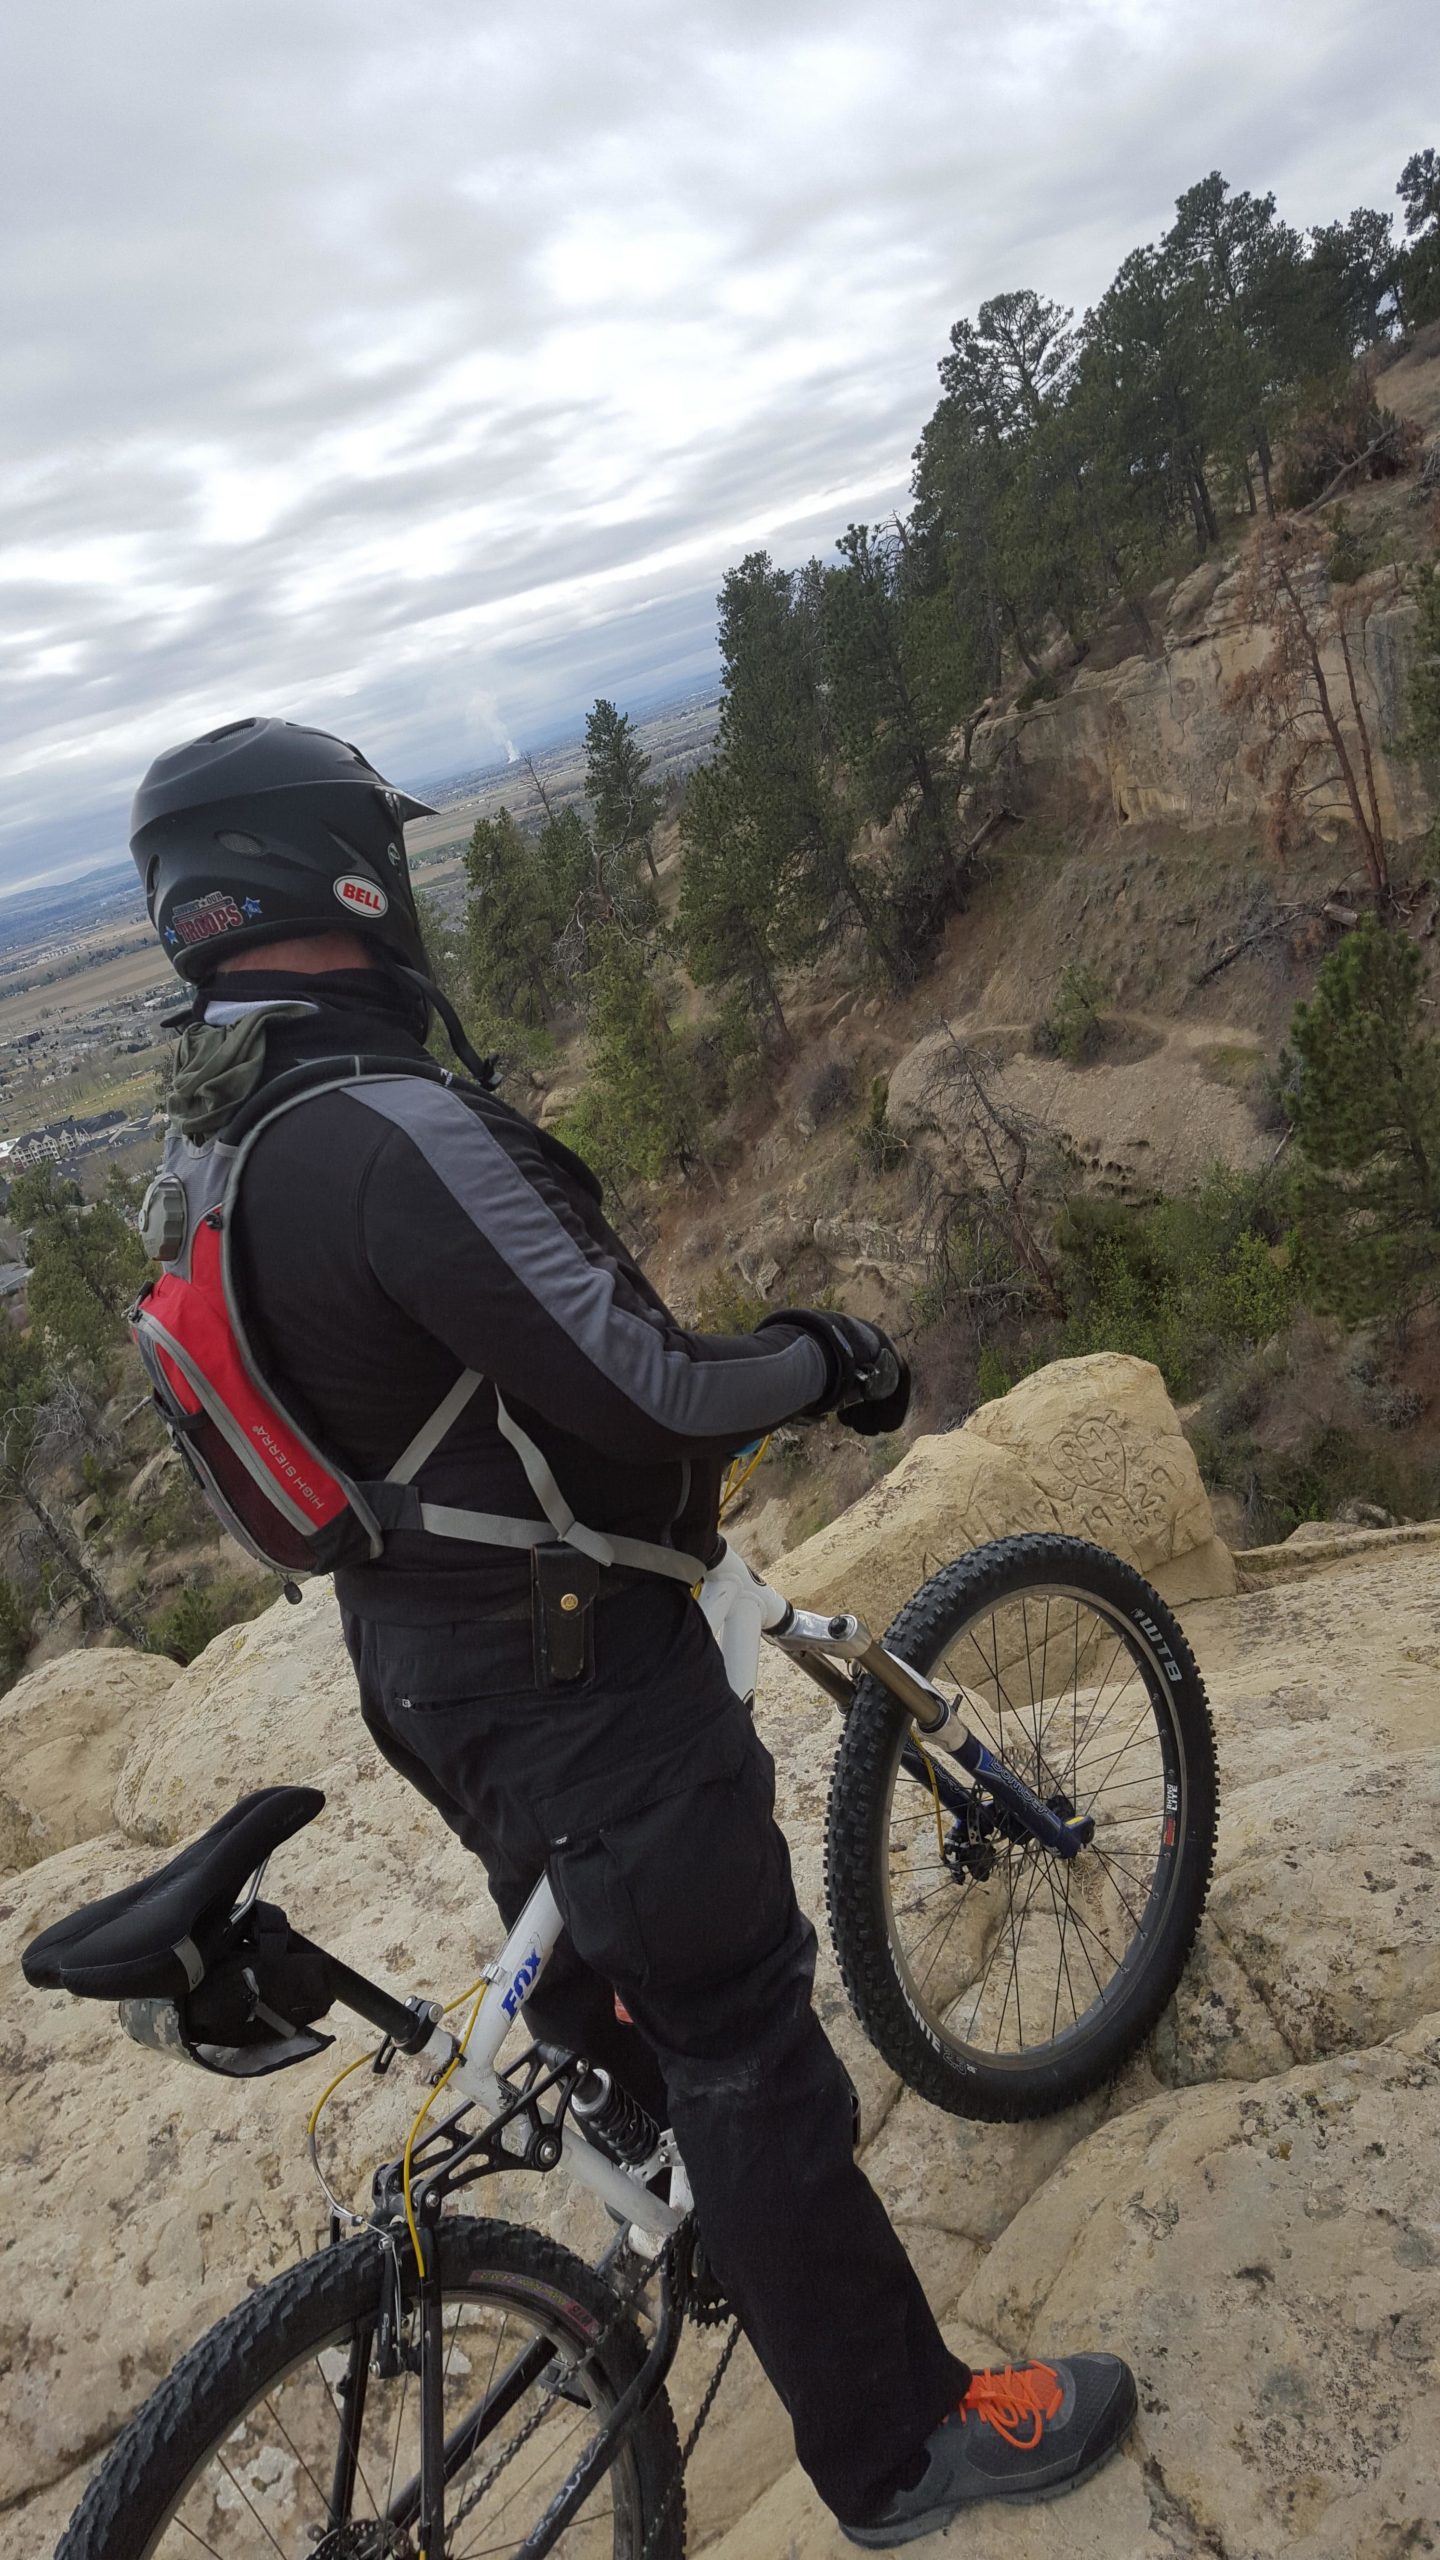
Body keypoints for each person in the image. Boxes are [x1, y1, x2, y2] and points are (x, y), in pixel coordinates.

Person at [129, 715, 1136, 2545]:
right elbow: (653, 1391)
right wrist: (821, 1358)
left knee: (615, 1981)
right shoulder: (385, 1134)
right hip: (585, 1675)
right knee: (752, 2047)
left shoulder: (233, 1154)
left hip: (425, 1674)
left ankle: (696, 2205)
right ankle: (909, 2446)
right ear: (344, 881)